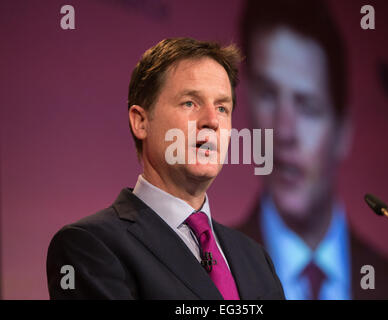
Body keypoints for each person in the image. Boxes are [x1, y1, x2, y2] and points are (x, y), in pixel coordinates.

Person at [46, 38, 285, 300]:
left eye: (222, 108)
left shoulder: (256, 259)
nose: (212, 121)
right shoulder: (90, 246)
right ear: (140, 121)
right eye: (190, 103)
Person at [237, 0, 388, 299]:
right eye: (268, 95)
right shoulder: (204, 271)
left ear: (343, 132)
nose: (284, 130)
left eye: (308, 106)